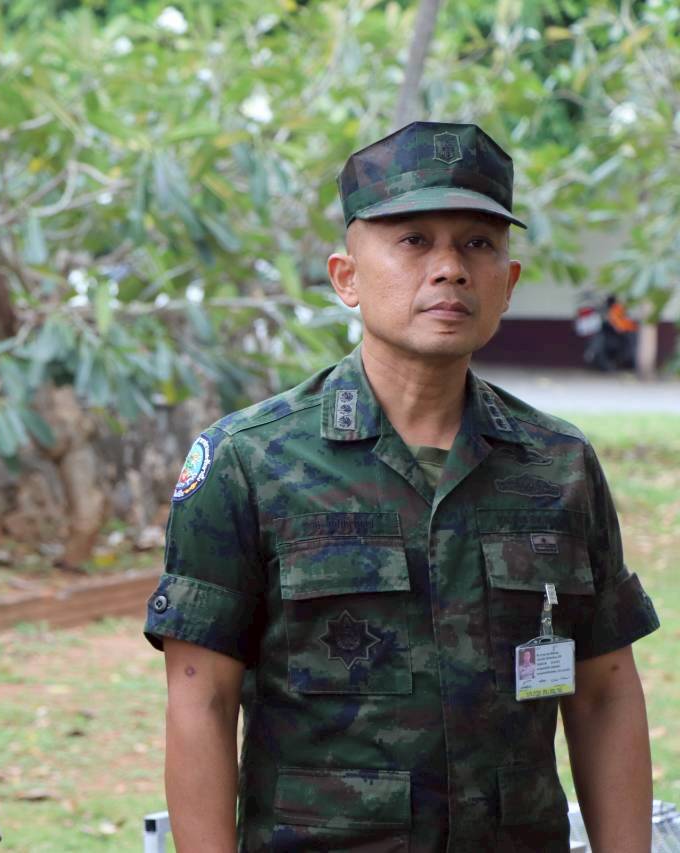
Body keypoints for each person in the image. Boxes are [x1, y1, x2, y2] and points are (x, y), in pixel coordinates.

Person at [145, 121, 659, 852]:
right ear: (346, 277)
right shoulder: (250, 460)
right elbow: (202, 697)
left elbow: (604, 690)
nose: (450, 269)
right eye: (414, 240)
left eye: (477, 244)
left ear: (508, 284)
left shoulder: (557, 463)